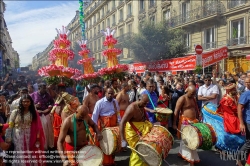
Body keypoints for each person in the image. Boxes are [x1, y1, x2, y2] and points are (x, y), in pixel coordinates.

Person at [5, 94, 45, 165]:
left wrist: (38, 138)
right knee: (20, 151)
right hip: (18, 135)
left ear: (30, 102)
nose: (26, 103)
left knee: (29, 151)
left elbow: (38, 127)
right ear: (21, 102)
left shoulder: (33, 113)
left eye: (27, 101)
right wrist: (8, 138)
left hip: (30, 135)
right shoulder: (15, 112)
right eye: (24, 101)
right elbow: (10, 125)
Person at [120, 94, 153, 166]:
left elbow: (144, 108)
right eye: (144, 103)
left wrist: (150, 110)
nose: (145, 105)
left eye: (147, 103)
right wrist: (123, 140)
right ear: (139, 99)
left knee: (144, 149)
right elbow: (122, 123)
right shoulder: (131, 108)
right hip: (132, 132)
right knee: (137, 151)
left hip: (141, 129)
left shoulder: (141, 105)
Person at [91, 88, 120, 166]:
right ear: (105, 94)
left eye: (112, 93)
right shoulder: (99, 103)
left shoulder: (115, 102)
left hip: (113, 126)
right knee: (105, 144)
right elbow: (94, 117)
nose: (110, 95)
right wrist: (96, 130)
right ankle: (104, 162)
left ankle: (111, 161)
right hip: (104, 126)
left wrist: (119, 123)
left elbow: (118, 113)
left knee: (113, 143)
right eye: (109, 93)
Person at [173, 85, 200, 166]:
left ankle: (182, 153)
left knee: (191, 139)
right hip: (185, 121)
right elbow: (176, 111)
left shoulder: (193, 98)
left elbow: (195, 109)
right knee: (189, 140)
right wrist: (174, 123)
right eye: (191, 94)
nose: (192, 95)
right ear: (186, 90)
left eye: (194, 94)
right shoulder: (182, 98)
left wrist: (198, 118)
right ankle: (190, 158)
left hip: (194, 121)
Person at [30, 83, 54, 150]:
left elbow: (53, 102)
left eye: (45, 88)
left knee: (49, 130)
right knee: (41, 131)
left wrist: (50, 107)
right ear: (39, 88)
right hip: (38, 115)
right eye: (43, 88)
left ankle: (49, 145)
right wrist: (35, 107)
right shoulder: (33, 95)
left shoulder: (47, 95)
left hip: (46, 114)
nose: (45, 89)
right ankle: (42, 145)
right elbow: (29, 105)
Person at [237, 77, 250, 166]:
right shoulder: (246, 94)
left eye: (248, 82)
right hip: (248, 122)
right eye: (246, 82)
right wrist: (241, 123)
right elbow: (239, 108)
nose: (247, 84)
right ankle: (238, 160)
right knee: (249, 143)